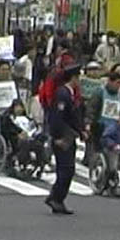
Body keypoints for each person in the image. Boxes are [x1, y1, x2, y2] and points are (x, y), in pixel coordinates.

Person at [46, 64, 84, 215]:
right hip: (63, 136)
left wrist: (81, 130)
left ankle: (56, 198)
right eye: (78, 77)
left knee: (67, 168)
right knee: (66, 169)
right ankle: (56, 198)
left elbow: (72, 116)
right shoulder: (62, 94)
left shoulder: (69, 93)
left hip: (69, 134)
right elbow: (57, 118)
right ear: (73, 78)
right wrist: (57, 137)